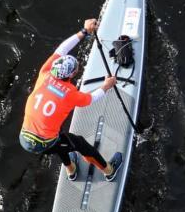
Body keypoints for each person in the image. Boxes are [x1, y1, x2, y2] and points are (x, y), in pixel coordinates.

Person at [19, 18, 123, 182]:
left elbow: (61, 49)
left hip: (25, 137)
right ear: (72, 75)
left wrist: (83, 32)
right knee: (81, 145)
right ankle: (109, 171)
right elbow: (90, 99)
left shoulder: (45, 73)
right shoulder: (70, 92)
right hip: (41, 142)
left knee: (60, 140)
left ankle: (71, 170)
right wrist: (106, 86)